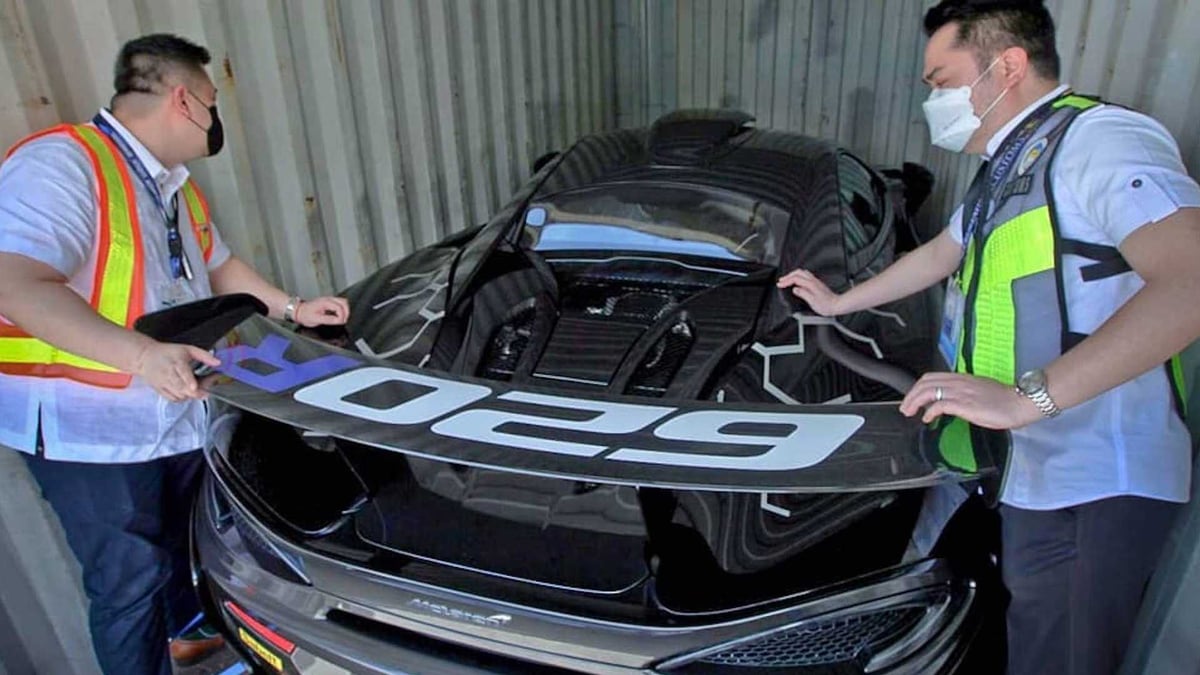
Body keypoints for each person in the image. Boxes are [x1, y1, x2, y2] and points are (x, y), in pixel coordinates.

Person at [777, 1, 1200, 673]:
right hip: (1032, 467)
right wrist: (839, 300)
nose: (931, 99)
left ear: (1007, 68)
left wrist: (1023, 400)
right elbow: (943, 253)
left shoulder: (1101, 139)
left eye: (941, 80)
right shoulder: (1005, 169)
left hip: (1090, 482)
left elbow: (1191, 282)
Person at [0, 34, 350, 674]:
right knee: (128, 581)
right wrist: (141, 357)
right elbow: (14, 280)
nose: (216, 121)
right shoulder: (63, 164)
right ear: (185, 101)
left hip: (167, 412)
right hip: (89, 430)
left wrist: (293, 308)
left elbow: (217, 266)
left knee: (183, 553)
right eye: (214, 104)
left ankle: (186, 644)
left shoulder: (175, 188)